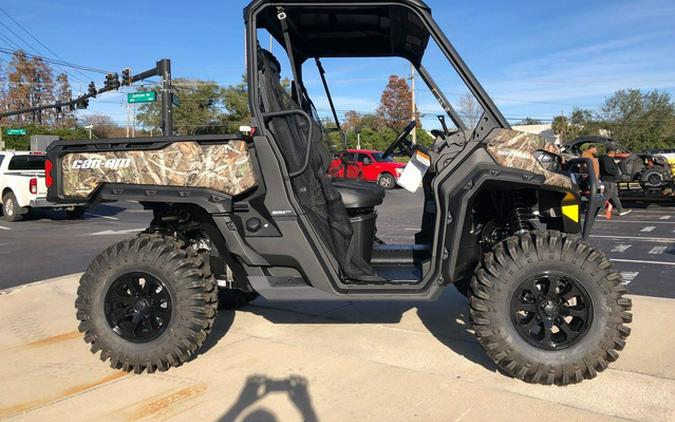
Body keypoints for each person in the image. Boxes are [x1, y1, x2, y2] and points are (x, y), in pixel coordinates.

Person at [598, 146, 631, 216]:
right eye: (615, 153)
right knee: (606, 196)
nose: (615, 154)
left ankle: (620, 210)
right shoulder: (606, 159)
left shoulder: (607, 159)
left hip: (611, 180)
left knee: (614, 196)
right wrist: (615, 174)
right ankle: (600, 211)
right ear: (612, 152)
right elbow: (608, 169)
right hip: (608, 180)